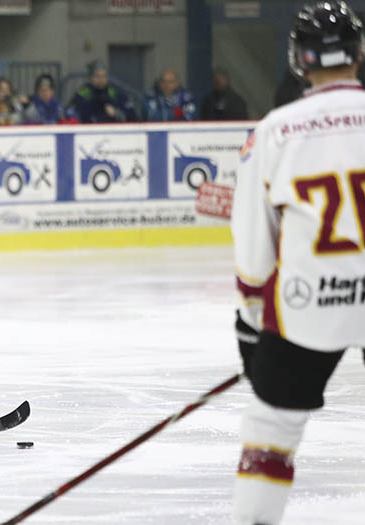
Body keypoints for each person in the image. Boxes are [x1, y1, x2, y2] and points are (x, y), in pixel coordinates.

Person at [231, 2, 365, 523]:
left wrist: (249, 316)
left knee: (272, 431)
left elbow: (254, 247)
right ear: (358, 52)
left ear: (300, 59)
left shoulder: (275, 131)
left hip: (307, 303)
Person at [67, 60, 137, 123]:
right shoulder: (83, 93)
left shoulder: (116, 92)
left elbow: (133, 117)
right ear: (91, 78)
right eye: (97, 76)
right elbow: (71, 114)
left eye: (104, 76)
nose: (101, 80)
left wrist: (117, 114)